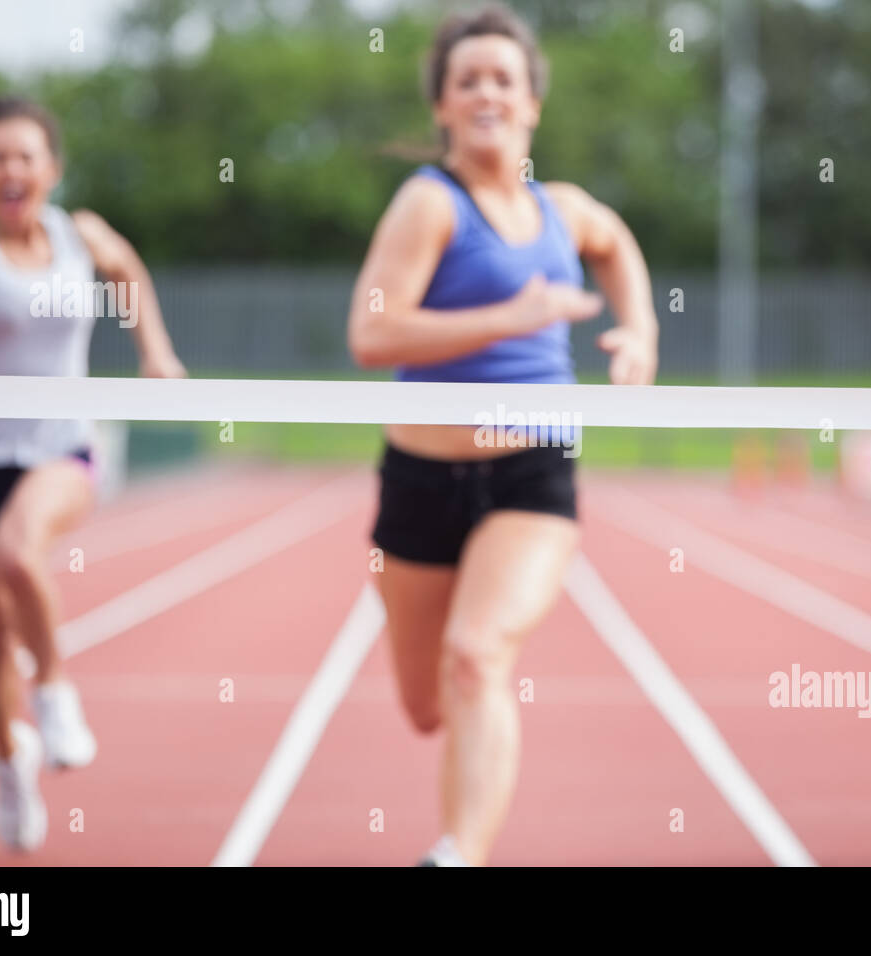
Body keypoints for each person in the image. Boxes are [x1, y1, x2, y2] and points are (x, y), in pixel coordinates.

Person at [347, 4, 658, 866]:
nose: (486, 92)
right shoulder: (428, 205)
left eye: (503, 79)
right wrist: (511, 315)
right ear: (442, 106)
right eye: (467, 80)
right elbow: (372, 335)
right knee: (425, 704)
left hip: (532, 472)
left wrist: (639, 332)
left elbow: (616, 244)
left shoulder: (564, 208)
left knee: (478, 658)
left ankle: (460, 854)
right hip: (422, 476)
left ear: (533, 105)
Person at [0, 96, 187, 852]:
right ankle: (10, 762)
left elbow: (129, 273)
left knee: (18, 555)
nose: (10, 170)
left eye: (25, 156)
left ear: (51, 168)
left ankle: (54, 692)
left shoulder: (79, 234)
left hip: (62, 443)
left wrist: (155, 351)